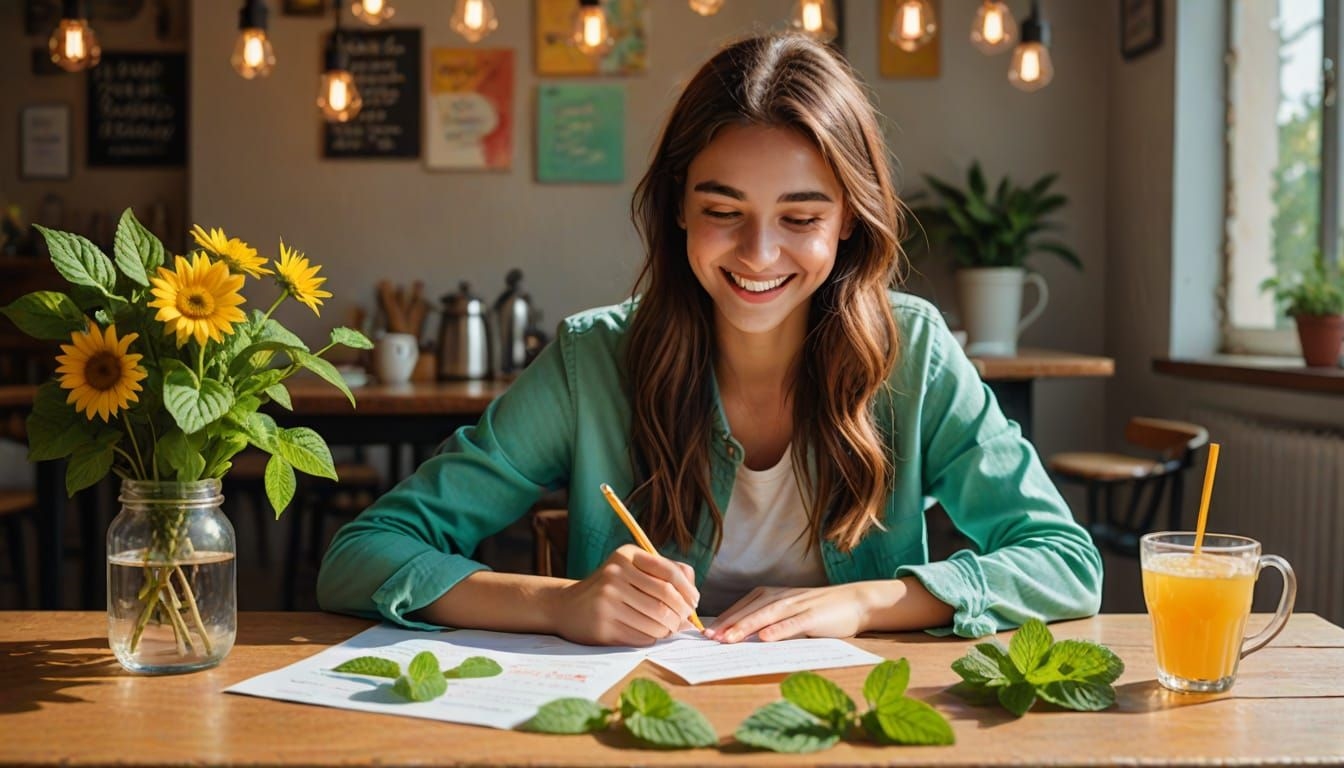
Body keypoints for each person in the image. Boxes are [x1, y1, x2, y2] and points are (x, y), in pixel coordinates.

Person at [317, 32, 1102, 646]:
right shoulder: (595, 361)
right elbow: (362, 555)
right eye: (723, 210)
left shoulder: (915, 354)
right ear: (678, 210)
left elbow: (1065, 564)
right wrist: (561, 606)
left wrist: (864, 602)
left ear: (848, 226)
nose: (759, 255)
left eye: (800, 218)